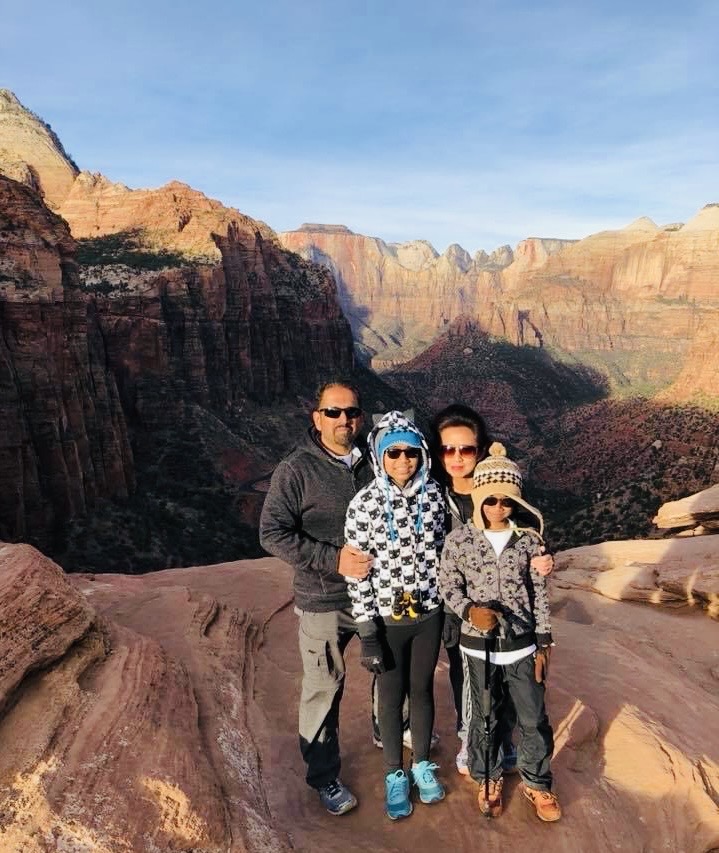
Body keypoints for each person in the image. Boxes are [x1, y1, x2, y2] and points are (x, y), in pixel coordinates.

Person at [259, 379, 373, 816]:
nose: (344, 420)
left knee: (389, 670)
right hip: (323, 600)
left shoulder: (376, 459)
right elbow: (271, 533)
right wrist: (333, 560)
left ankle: (394, 731)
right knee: (324, 687)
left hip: (376, 594)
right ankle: (324, 777)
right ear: (317, 418)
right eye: (333, 412)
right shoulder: (296, 469)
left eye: (351, 412)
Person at [438, 442, 562, 822]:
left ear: (516, 501)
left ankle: (536, 783)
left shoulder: (529, 542)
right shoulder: (459, 540)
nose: (497, 507)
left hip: (522, 645)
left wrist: (544, 639)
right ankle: (487, 776)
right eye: (489, 499)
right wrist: (470, 611)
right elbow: (447, 586)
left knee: (532, 716)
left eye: (505, 500)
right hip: (478, 647)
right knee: (483, 717)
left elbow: (538, 594)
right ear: (478, 498)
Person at [344, 411, 446, 820]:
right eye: (394, 453)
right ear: (379, 456)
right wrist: (367, 629)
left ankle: (420, 763)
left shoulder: (435, 496)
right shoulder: (364, 504)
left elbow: (443, 554)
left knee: (421, 690)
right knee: (390, 696)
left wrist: (450, 609)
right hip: (387, 620)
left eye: (411, 452)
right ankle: (393, 773)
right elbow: (357, 572)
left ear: (422, 454)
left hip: (429, 614)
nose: (404, 461)